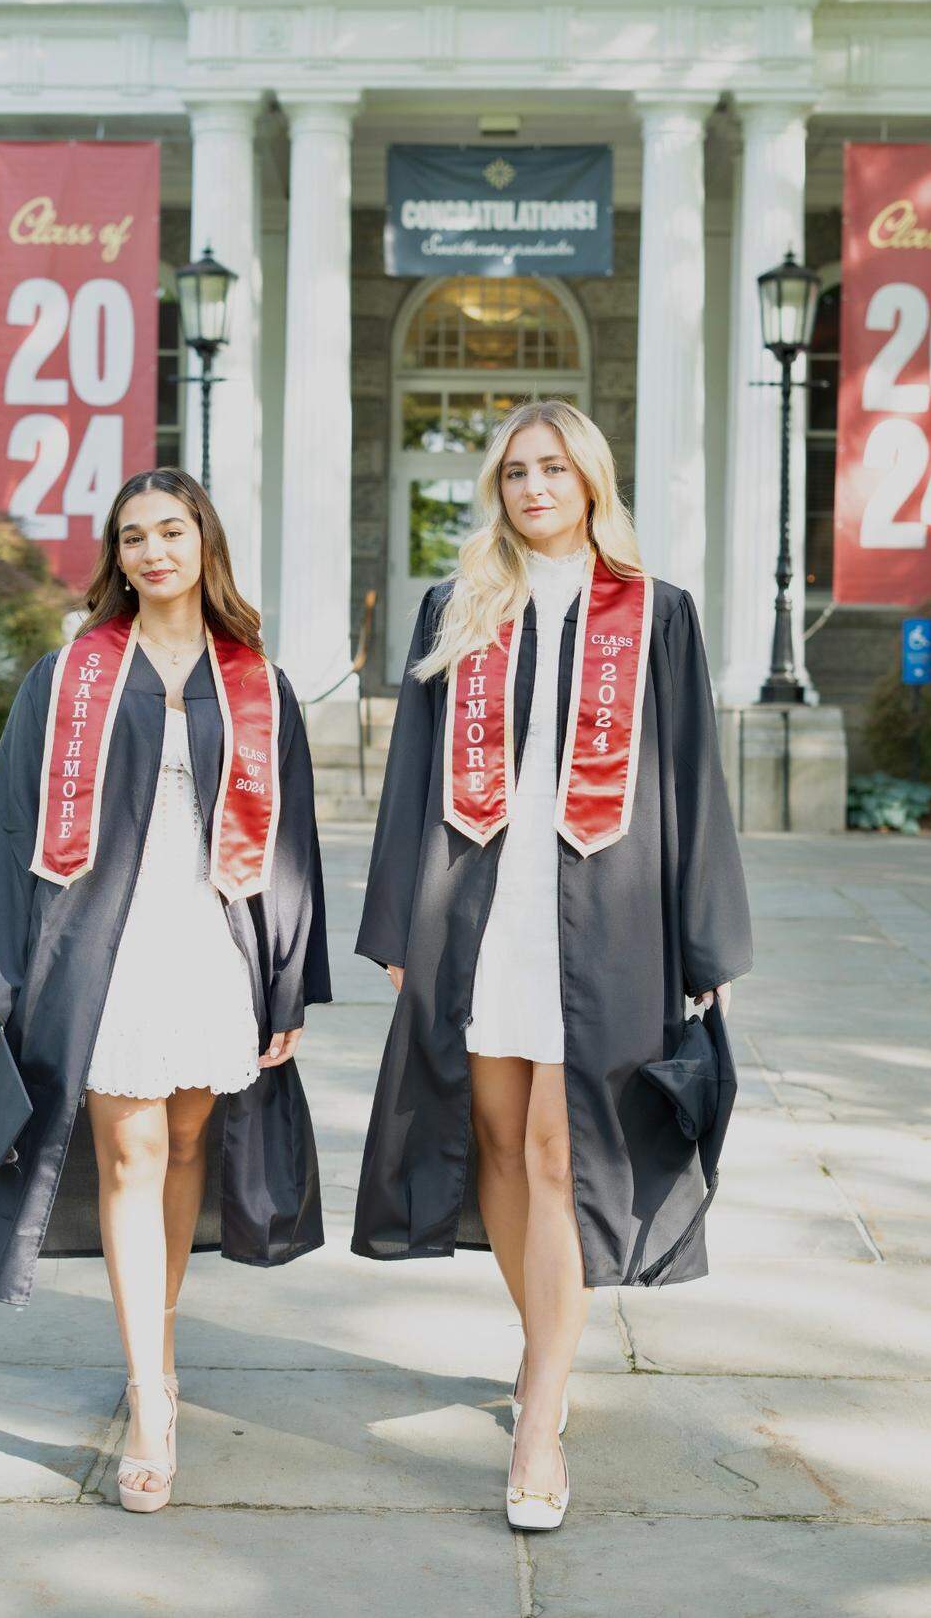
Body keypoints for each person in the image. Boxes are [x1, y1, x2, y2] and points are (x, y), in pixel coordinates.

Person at [351, 400, 752, 1531]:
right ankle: (547, 1348)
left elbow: (694, 782)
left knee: (553, 1151)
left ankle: (539, 1412)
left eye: (553, 468)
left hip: (607, 920)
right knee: (489, 1132)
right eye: (516, 472)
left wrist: (704, 940)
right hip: (482, 907)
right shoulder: (461, 603)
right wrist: (398, 928)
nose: (533, 487)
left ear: (591, 481)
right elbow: (413, 775)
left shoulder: (655, 614)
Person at [0, 468, 331, 1513]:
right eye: (133, 536)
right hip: (97, 944)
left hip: (214, 941)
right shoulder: (68, 677)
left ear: (205, 543)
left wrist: (288, 983)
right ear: (117, 556)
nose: (154, 552)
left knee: (189, 1142)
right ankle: (151, 1396)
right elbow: (9, 823)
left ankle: (157, 1344)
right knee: (131, 1150)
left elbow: (292, 849)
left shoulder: (259, 684)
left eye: (171, 531)